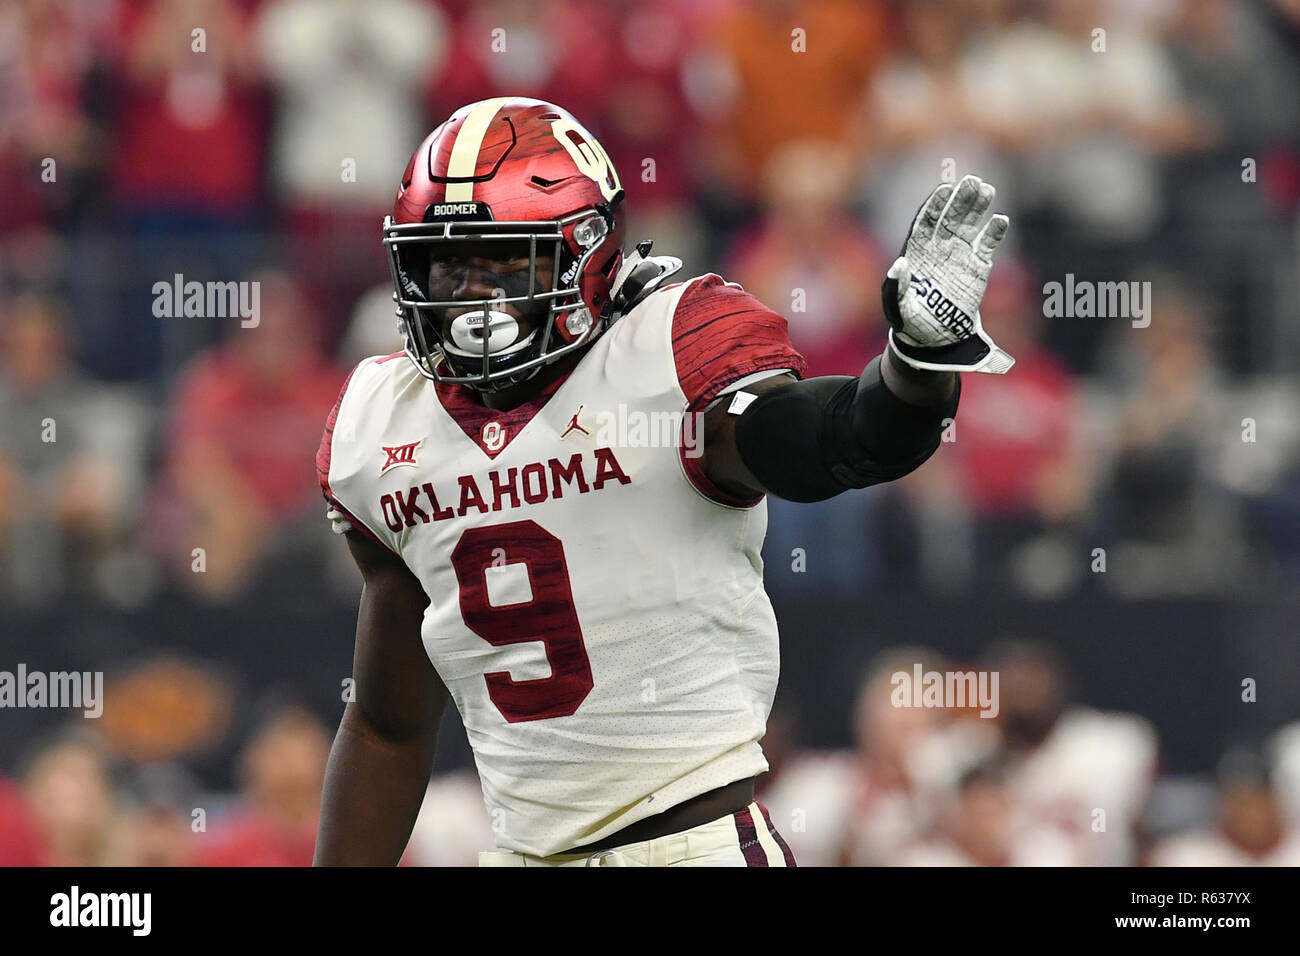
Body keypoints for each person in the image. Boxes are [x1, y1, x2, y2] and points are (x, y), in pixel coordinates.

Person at [313, 97, 1014, 867]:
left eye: (506, 258)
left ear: (585, 252)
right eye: (447, 263)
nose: (473, 293)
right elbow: (387, 727)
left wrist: (913, 369)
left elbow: (835, 438)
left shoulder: (665, 357)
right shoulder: (386, 426)